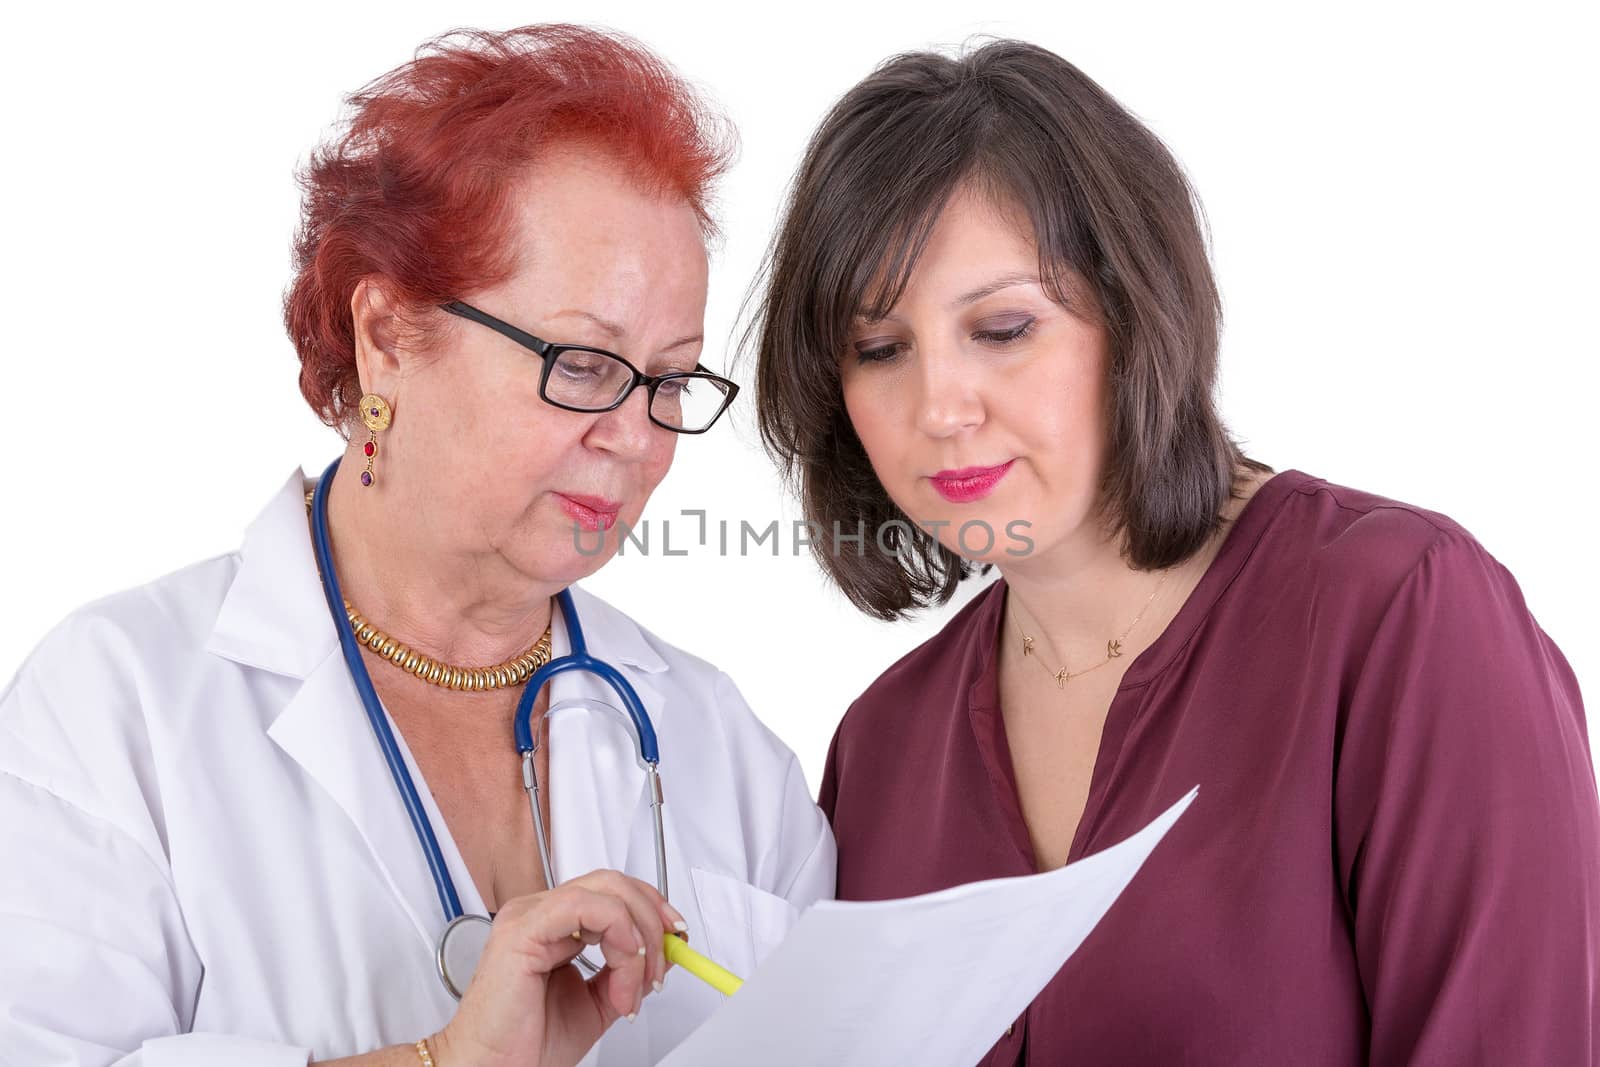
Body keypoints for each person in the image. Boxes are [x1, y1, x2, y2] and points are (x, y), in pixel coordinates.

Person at [750, 38, 1600, 1064]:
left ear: (1134, 309)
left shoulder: (1399, 615)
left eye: (1004, 327)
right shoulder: (882, 747)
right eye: (878, 349)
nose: (938, 407)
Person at [0, 25, 833, 1067]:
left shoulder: (719, 746)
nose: (637, 435)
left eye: (668, 380)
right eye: (582, 363)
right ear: (387, 335)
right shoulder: (114, 709)